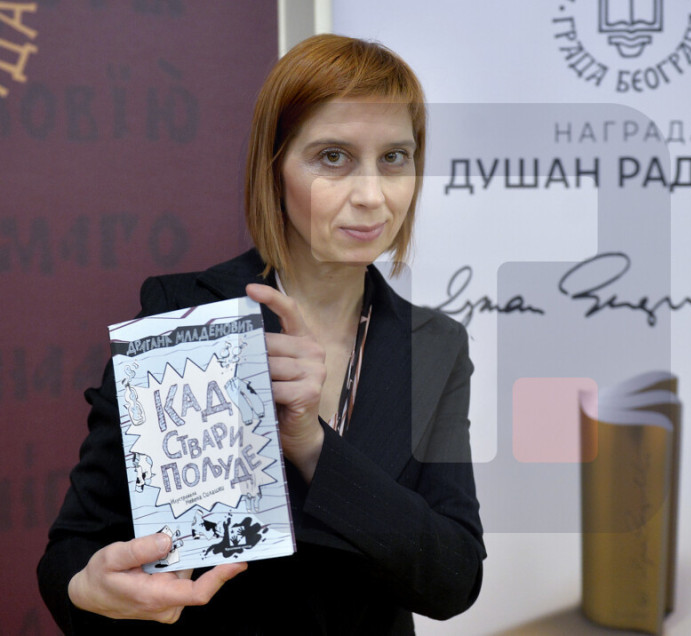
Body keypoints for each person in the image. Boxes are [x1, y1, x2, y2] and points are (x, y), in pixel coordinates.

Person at [37, 34, 485, 634]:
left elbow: (454, 577)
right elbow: (72, 551)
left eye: (395, 158)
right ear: (274, 167)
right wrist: (90, 590)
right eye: (333, 157)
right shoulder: (186, 315)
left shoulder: (435, 345)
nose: (372, 195)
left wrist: (312, 446)